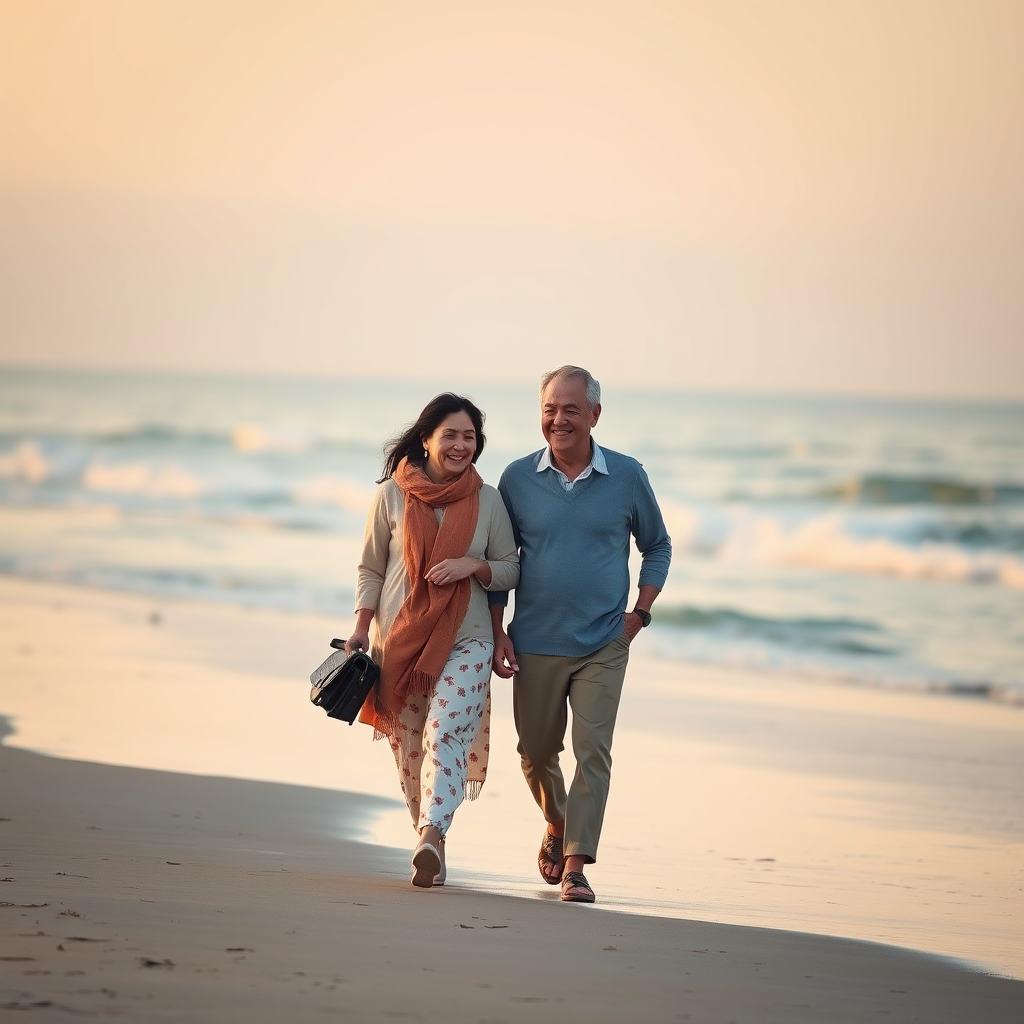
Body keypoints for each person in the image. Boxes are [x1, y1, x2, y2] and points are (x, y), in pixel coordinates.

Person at [489, 366, 671, 904]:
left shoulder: (627, 476)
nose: (559, 419)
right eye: (550, 409)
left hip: (604, 642)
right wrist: (498, 628)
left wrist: (640, 612)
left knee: (592, 751)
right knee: (535, 752)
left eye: (571, 409)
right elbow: (501, 558)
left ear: (594, 415)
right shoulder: (517, 479)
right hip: (535, 640)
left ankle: (575, 867)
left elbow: (657, 545)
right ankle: (558, 820)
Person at [346, 393, 519, 888]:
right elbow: (370, 568)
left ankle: (430, 835)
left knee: (443, 733)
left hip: (468, 640)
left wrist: (473, 565)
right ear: (426, 440)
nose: (461, 445)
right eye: (452, 436)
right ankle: (432, 842)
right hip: (398, 642)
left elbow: (511, 567)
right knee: (409, 749)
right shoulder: (391, 497)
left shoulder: (487, 500)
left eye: (470, 437)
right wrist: (360, 628)